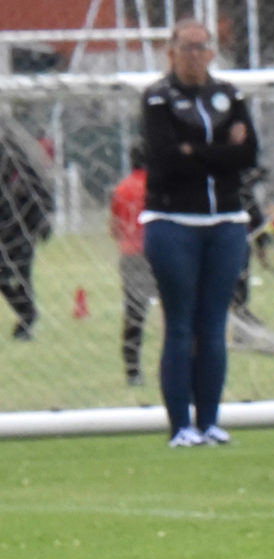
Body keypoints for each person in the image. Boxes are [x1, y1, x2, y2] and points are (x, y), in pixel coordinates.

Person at [138, 20, 257, 444]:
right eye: (186, 47)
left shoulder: (230, 95)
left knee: (213, 324)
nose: (194, 55)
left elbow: (248, 154)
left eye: (201, 47)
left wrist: (198, 151)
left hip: (226, 221)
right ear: (171, 52)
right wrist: (222, 150)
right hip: (173, 222)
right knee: (180, 324)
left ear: (211, 52)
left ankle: (209, 421)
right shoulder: (158, 97)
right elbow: (166, 159)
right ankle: (180, 426)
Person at [0, 119, 48, 343]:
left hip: (23, 230)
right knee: (7, 277)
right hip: (5, 230)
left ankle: (26, 320)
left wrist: (42, 222)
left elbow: (40, 194)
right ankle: (27, 314)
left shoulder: (23, 166)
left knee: (21, 275)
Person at [109, 148, 153, 386]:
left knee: (134, 314)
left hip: (131, 256)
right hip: (159, 253)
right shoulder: (157, 185)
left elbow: (114, 228)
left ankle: (133, 370)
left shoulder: (121, 188)